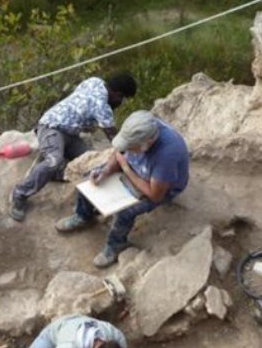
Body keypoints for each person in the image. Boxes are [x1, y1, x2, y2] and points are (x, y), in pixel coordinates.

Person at [55, 110, 190, 268]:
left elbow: (155, 195)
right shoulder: (138, 127)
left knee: (126, 211)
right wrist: (106, 171)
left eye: (131, 148)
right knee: (89, 179)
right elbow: (119, 151)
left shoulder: (167, 154)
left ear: (148, 143)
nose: (128, 150)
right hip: (136, 170)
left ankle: (116, 244)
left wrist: (126, 168)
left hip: (158, 186)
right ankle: (84, 215)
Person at [9, 73, 138, 222]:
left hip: (71, 134)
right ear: (117, 93)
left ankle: (47, 172)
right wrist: (130, 155)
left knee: (90, 163)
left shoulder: (95, 81)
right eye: (122, 98)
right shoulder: (102, 106)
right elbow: (115, 139)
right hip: (51, 127)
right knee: (53, 161)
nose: (120, 102)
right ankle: (20, 193)